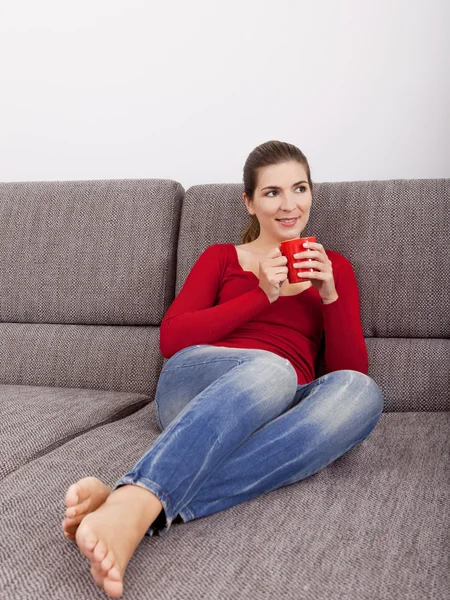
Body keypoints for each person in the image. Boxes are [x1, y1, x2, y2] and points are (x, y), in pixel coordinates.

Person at [62, 140, 384, 598]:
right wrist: (262, 294)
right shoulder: (221, 258)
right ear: (249, 202)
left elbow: (347, 370)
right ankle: (134, 501)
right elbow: (172, 339)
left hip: (279, 406)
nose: (289, 204)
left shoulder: (333, 270)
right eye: (272, 192)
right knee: (272, 370)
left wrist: (330, 295)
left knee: (362, 392)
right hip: (198, 385)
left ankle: (128, 504)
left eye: (299, 188)